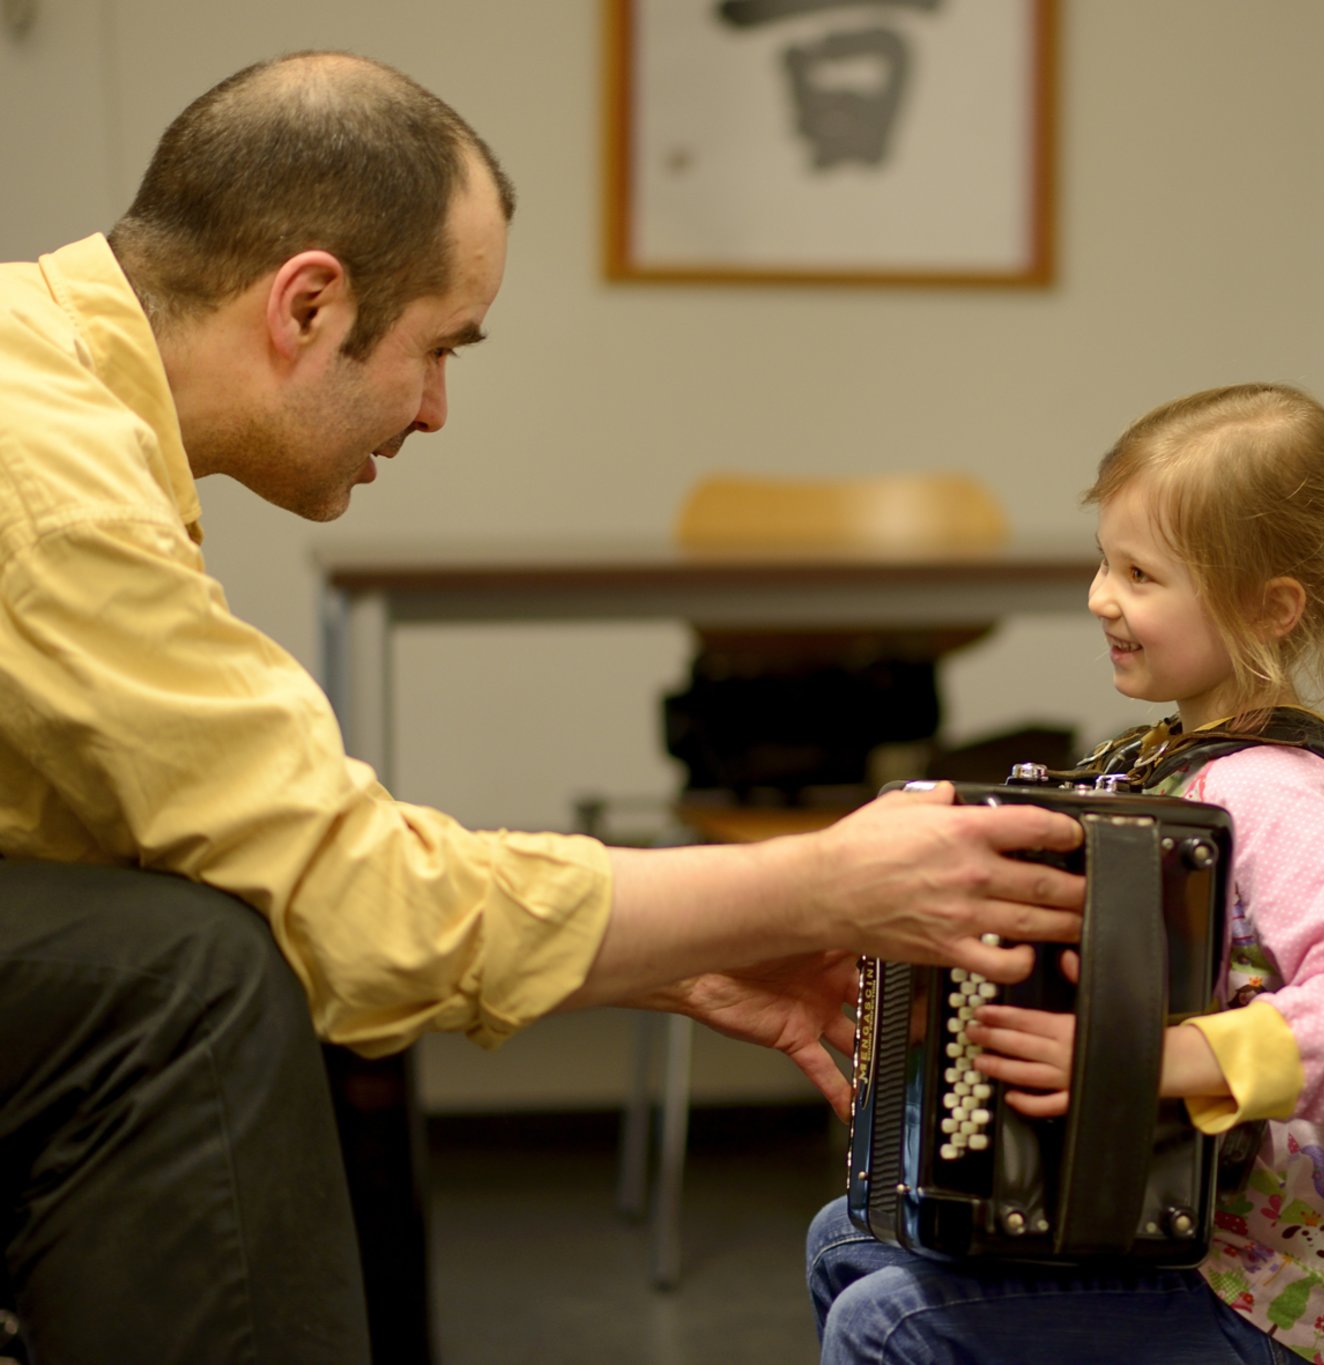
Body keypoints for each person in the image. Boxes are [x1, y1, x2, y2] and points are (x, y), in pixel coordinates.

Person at [0, 50, 1084, 1364]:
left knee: (220, 925)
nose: (439, 408)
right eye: (438, 348)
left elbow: (270, 851)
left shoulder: (56, 388)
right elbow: (361, 904)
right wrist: (827, 884)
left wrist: (673, 950)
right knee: (184, 977)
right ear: (306, 303)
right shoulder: (51, 480)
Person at [806, 382, 1324, 1365]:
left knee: (885, 1322)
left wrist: (1149, 1066)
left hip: (1270, 1292)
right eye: (1105, 562)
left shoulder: (1279, 793)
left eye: (1141, 575)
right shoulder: (1164, 764)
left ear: (1268, 607)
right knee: (847, 1237)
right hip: (1167, 1244)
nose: (1099, 597)